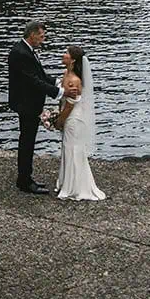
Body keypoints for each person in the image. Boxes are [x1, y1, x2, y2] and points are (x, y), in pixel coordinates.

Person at [47, 45, 105, 201]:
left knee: (72, 149)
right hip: (68, 115)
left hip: (73, 118)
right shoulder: (66, 74)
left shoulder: (73, 80)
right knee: (68, 149)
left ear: (72, 59)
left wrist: (60, 120)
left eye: (66, 53)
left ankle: (75, 186)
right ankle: (68, 182)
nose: (63, 55)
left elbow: (71, 103)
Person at [6, 21, 59, 194]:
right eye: (41, 36)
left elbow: (40, 75)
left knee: (28, 140)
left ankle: (26, 178)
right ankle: (24, 180)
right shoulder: (21, 53)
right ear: (32, 34)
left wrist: (58, 81)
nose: (42, 40)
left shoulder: (25, 51)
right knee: (27, 142)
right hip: (26, 104)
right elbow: (32, 80)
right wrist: (57, 92)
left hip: (28, 103)